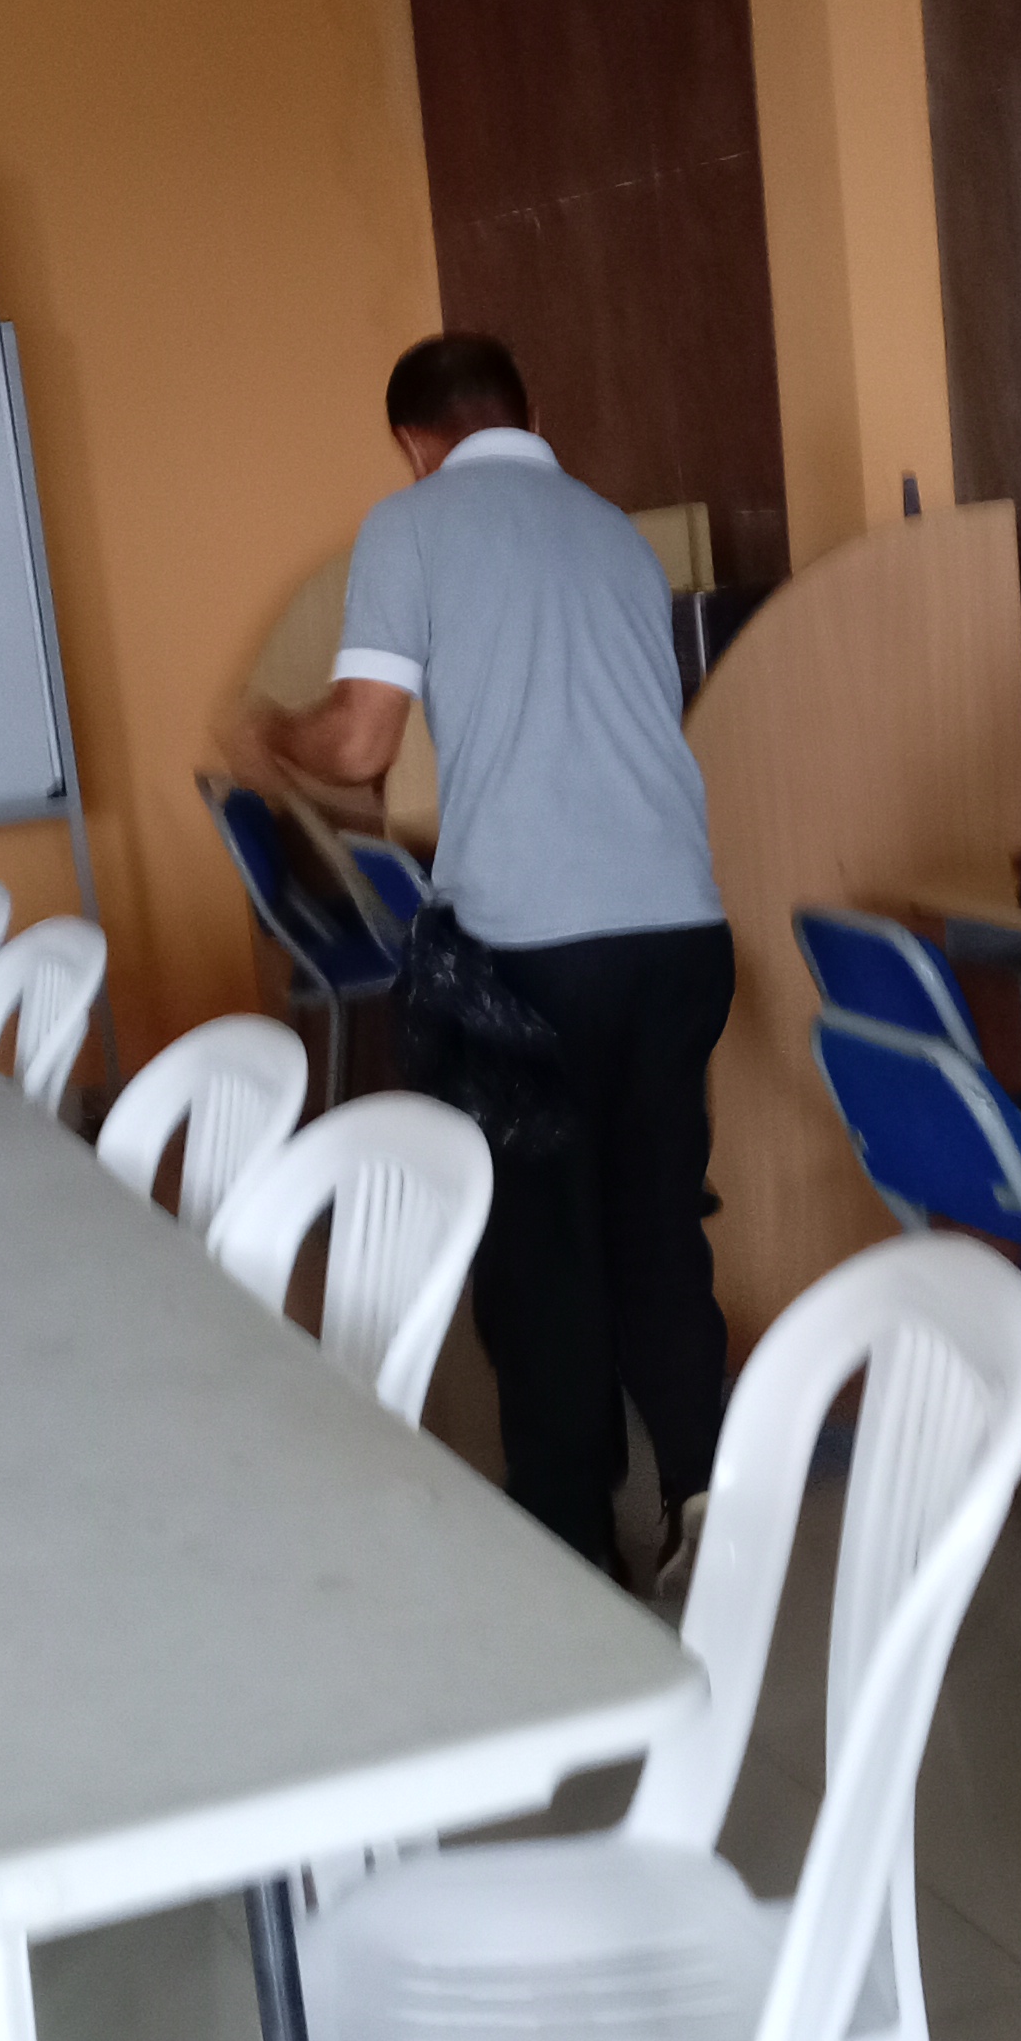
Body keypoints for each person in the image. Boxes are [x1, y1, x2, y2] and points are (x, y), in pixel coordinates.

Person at [241, 333, 731, 1584]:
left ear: (414, 441)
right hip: (681, 930)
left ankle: (572, 1539)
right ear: (527, 410)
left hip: (534, 948)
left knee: (542, 1240)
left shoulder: (412, 524)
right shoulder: (615, 533)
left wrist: (272, 730)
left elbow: (360, 742)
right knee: (657, 1221)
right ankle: (706, 1499)